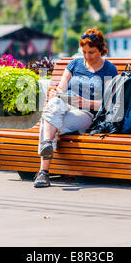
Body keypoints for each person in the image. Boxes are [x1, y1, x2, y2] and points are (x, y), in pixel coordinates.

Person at [34, 27, 119, 188]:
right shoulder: (74, 64)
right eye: (84, 52)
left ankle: (44, 171)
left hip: (86, 114)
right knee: (55, 104)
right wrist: (55, 93)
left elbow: (108, 104)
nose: (87, 56)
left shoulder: (109, 69)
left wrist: (83, 102)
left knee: (48, 121)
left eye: (92, 52)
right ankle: (45, 153)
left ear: (102, 50)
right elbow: (61, 88)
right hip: (64, 105)